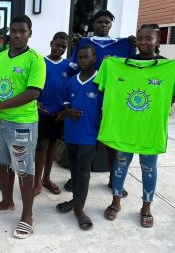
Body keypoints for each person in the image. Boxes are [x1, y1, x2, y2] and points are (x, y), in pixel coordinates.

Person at [100, 24, 175, 228]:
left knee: (149, 168)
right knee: (120, 166)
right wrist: (107, 65)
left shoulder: (169, 66)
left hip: (149, 130)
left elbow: (174, 97)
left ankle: (146, 207)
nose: (144, 42)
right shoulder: (118, 64)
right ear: (136, 40)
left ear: (158, 40)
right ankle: (116, 202)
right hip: (124, 129)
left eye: (149, 38)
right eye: (140, 38)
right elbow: (103, 87)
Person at [0, 15, 46, 239]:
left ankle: (27, 215)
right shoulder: (0, 57)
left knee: (24, 169)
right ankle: (6, 201)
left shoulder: (35, 60)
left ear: (30, 33)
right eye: (14, 30)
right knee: (0, 163)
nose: (17, 35)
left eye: (22, 31)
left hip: (22, 124)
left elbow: (33, 93)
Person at [67, 10, 136, 195]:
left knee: (111, 141)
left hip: (112, 99)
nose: (103, 24)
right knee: (83, 140)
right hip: (88, 97)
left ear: (111, 24)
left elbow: (132, 69)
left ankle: (114, 179)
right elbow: (74, 70)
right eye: (99, 22)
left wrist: (133, 45)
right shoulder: (84, 44)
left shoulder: (123, 44)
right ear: (93, 24)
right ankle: (76, 178)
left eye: (107, 22)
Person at [55, 45, 101, 230]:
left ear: (94, 58)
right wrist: (68, 111)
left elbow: (106, 110)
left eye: (86, 57)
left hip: (89, 135)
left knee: (83, 172)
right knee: (73, 170)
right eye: (80, 57)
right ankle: (75, 200)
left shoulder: (101, 81)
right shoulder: (72, 82)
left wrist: (102, 137)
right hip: (71, 133)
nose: (82, 61)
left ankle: (79, 209)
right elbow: (66, 102)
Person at [34, 31, 76, 196]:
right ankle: (37, 182)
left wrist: (66, 111)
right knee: (41, 146)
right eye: (57, 45)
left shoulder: (69, 66)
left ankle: (47, 179)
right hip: (42, 112)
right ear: (51, 43)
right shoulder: (40, 62)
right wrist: (35, 101)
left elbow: (73, 88)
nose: (60, 48)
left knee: (52, 146)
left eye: (63, 47)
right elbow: (31, 85)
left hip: (60, 114)